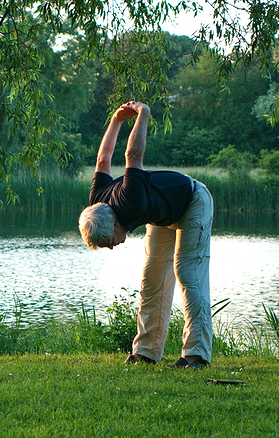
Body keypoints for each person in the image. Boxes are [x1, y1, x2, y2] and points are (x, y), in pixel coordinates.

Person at [78, 101, 214, 369]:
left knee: (187, 273)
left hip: (193, 201)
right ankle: (146, 351)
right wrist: (116, 120)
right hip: (162, 214)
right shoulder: (97, 201)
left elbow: (132, 155)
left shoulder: (130, 200)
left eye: (109, 243)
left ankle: (196, 355)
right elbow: (103, 159)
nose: (113, 247)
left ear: (115, 224)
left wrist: (143, 114)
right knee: (151, 280)